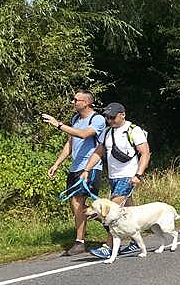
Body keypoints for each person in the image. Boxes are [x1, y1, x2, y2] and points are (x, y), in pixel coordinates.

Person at [80, 102, 150, 260]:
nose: (109, 120)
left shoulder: (134, 130)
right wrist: (86, 170)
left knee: (113, 211)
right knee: (127, 210)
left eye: (112, 117)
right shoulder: (107, 132)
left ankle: (109, 247)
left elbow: (145, 153)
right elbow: (98, 152)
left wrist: (138, 175)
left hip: (128, 176)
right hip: (113, 177)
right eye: (107, 117)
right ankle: (134, 239)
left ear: (122, 115)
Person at [43, 91, 106, 256]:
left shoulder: (97, 119)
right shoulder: (76, 119)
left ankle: (80, 242)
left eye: (76, 100)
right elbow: (71, 143)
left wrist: (58, 125)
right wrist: (57, 164)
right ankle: (105, 218)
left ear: (86, 103)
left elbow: (83, 134)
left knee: (77, 202)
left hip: (89, 167)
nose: (73, 102)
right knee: (75, 204)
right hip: (75, 168)